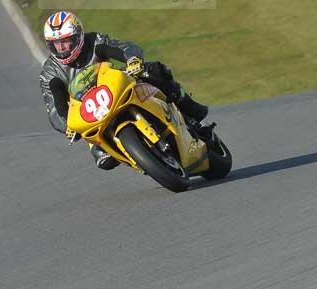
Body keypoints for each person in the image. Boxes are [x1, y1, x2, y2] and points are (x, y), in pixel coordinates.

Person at [39, 10, 211, 171]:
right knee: (104, 160)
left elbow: (123, 47)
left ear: (78, 37)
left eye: (66, 42)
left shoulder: (94, 41)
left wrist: (133, 59)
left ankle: (190, 110)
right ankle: (143, 158)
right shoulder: (49, 74)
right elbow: (55, 107)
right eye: (56, 44)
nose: (62, 48)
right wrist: (67, 125)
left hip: (115, 84)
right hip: (91, 112)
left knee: (155, 71)